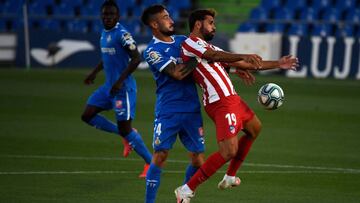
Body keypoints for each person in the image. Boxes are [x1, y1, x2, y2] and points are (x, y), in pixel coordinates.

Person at [175, 9, 298, 202]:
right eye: (210, 22)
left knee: (255, 128)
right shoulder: (191, 44)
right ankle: (186, 189)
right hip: (219, 102)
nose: (214, 26)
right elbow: (215, 56)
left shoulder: (207, 46)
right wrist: (243, 57)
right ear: (198, 25)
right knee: (228, 151)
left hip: (232, 99)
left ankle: (230, 176)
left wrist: (278, 64)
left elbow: (242, 63)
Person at [140, 5, 261, 203]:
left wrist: (228, 67)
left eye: (170, 15)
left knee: (198, 159)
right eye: (165, 17)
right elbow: (178, 73)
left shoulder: (182, 41)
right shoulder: (152, 51)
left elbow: (207, 62)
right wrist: (201, 54)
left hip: (192, 109)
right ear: (154, 24)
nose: (171, 20)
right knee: (160, 155)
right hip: (168, 110)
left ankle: (184, 196)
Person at [81, 0, 152, 178]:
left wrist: (120, 81)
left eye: (111, 14)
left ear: (118, 16)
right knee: (87, 115)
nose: (108, 18)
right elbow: (106, 57)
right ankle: (126, 135)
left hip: (123, 88)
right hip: (108, 87)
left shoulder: (123, 35)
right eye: (105, 14)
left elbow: (136, 58)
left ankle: (151, 164)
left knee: (125, 128)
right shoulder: (104, 34)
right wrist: (93, 73)